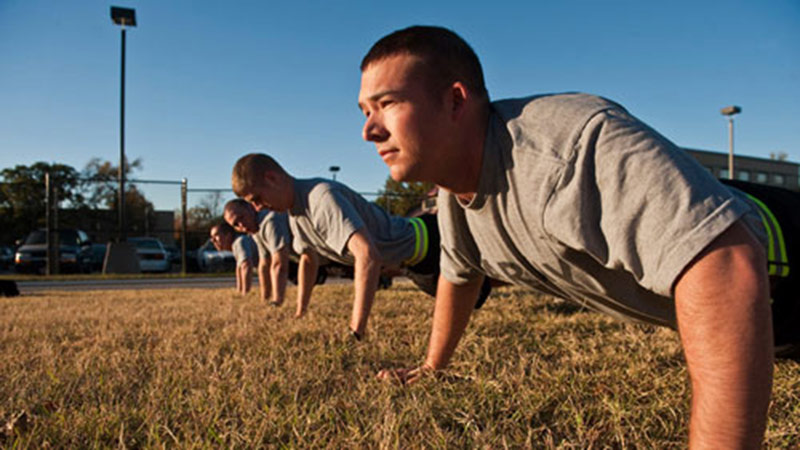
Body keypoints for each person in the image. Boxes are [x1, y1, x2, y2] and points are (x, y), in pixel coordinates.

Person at [357, 25, 799, 448]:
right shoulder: (455, 191)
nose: (369, 131)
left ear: (455, 100)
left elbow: (726, 262)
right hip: (767, 317)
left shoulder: (567, 148)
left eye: (387, 103)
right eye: (365, 112)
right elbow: (459, 275)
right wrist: (434, 367)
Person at [231, 153, 491, 340]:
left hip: (431, 241)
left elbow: (367, 255)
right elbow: (309, 261)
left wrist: (356, 331)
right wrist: (301, 312)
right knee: (479, 294)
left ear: (272, 177)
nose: (257, 208)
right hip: (413, 265)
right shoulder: (294, 213)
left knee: (500, 273)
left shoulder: (321, 198)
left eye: (257, 198)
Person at [223, 198, 320, 317]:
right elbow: (264, 264)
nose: (241, 225)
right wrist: (265, 299)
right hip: (310, 256)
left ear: (250, 208)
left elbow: (279, 263)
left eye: (242, 218)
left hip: (326, 252)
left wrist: (277, 301)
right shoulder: (255, 229)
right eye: (236, 225)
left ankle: (291, 305)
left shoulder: (270, 221)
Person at [209, 222, 259, 296]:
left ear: (228, 235)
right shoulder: (236, 246)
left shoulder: (239, 242)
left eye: (216, 235)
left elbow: (246, 266)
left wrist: (245, 293)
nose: (212, 240)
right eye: (211, 237)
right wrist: (239, 291)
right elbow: (239, 268)